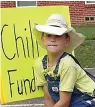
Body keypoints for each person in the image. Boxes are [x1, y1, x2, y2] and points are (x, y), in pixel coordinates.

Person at [33, 14, 95, 107]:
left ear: (66, 41)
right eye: (48, 35)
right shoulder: (39, 64)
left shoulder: (67, 64)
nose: (53, 39)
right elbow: (48, 98)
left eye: (58, 35)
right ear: (43, 39)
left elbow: (64, 102)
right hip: (68, 101)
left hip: (87, 99)